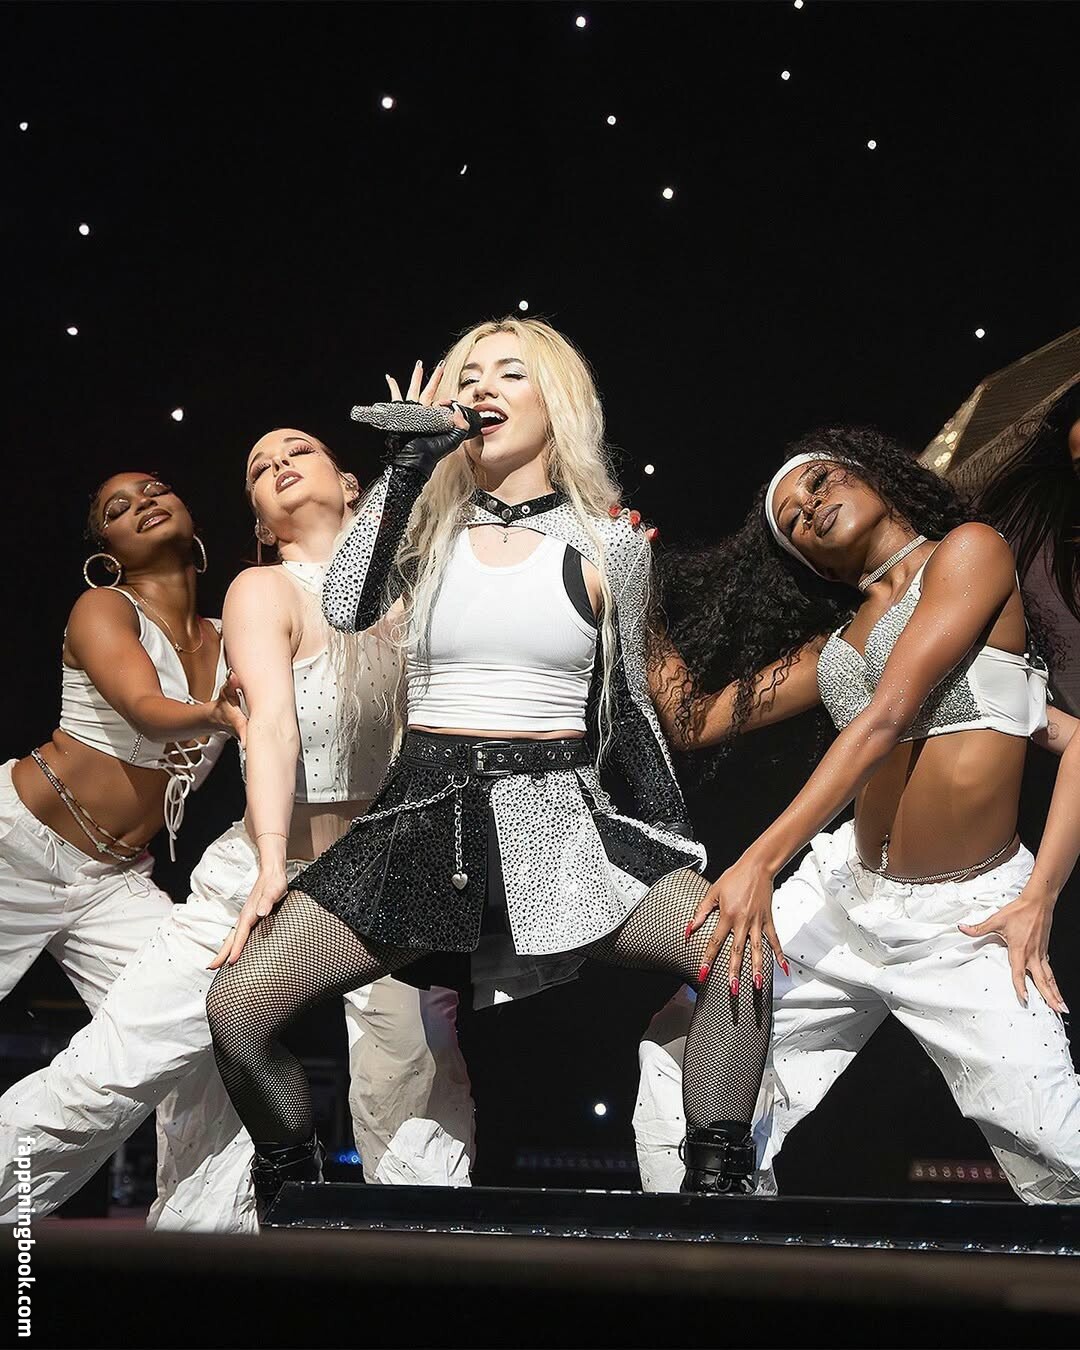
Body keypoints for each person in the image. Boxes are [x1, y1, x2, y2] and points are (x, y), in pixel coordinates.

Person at [207, 318, 773, 1215]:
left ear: (557, 401)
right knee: (238, 1009)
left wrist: (672, 845)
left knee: (738, 957)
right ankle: (294, 1196)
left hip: (559, 826)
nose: (483, 388)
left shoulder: (613, 542)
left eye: (511, 373)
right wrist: (406, 468)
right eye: (469, 375)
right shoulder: (423, 527)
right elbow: (346, 604)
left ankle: (717, 1201)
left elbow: (628, 709)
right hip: (423, 821)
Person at [0, 437, 474, 1233]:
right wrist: (267, 853)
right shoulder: (236, 597)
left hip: (367, 874)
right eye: (256, 466)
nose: (277, 463)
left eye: (299, 450)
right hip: (67, 850)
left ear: (350, 485)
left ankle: (227, 1259)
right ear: (257, 519)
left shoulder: (407, 594)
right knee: (112, 1073)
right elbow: (248, 725)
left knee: (405, 1092)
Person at [632, 427, 1080, 1203]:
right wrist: (629, 581)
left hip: (969, 918)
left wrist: (1040, 893)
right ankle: (718, 1252)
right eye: (791, 519)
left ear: (872, 476)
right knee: (683, 1061)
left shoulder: (970, 551)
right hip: (844, 899)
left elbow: (885, 718)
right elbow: (692, 720)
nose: (809, 506)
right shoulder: (836, 646)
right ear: (805, 562)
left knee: (1057, 1146)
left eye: (819, 482)